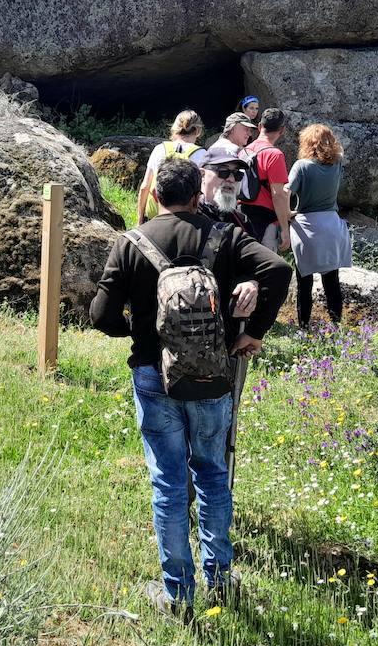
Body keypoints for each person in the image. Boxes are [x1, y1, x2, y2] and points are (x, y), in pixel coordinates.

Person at [92, 158, 290, 618]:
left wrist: (142, 337)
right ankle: (220, 578)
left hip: (152, 374)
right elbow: (278, 270)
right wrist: (253, 331)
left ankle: (178, 593)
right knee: (213, 474)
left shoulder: (131, 243)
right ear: (197, 195)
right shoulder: (224, 236)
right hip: (212, 375)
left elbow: (100, 316)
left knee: (168, 480)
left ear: (157, 196)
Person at [288, 124, 352, 327]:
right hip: (332, 225)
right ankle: (336, 327)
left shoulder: (302, 166)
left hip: (307, 226)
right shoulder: (337, 164)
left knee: (304, 283)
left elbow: (285, 192)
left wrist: (287, 215)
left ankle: (304, 328)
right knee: (332, 282)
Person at [136, 109, 208, 226]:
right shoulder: (202, 154)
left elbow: (145, 187)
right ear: (198, 131)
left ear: (174, 128)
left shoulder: (159, 149)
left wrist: (140, 220)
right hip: (187, 220)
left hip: (156, 214)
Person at [239, 108, 291, 252]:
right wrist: (285, 230)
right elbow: (278, 195)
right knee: (266, 268)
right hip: (266, 220)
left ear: (260, 126)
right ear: (282, 130)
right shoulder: (274, 155)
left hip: (241, 216)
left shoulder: (243, 151)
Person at [198, 150, 251, 230]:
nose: (231, 179)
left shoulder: (241, 220)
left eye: (237, 174)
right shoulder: (189, 216)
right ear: (202, 175)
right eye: (223, 171)